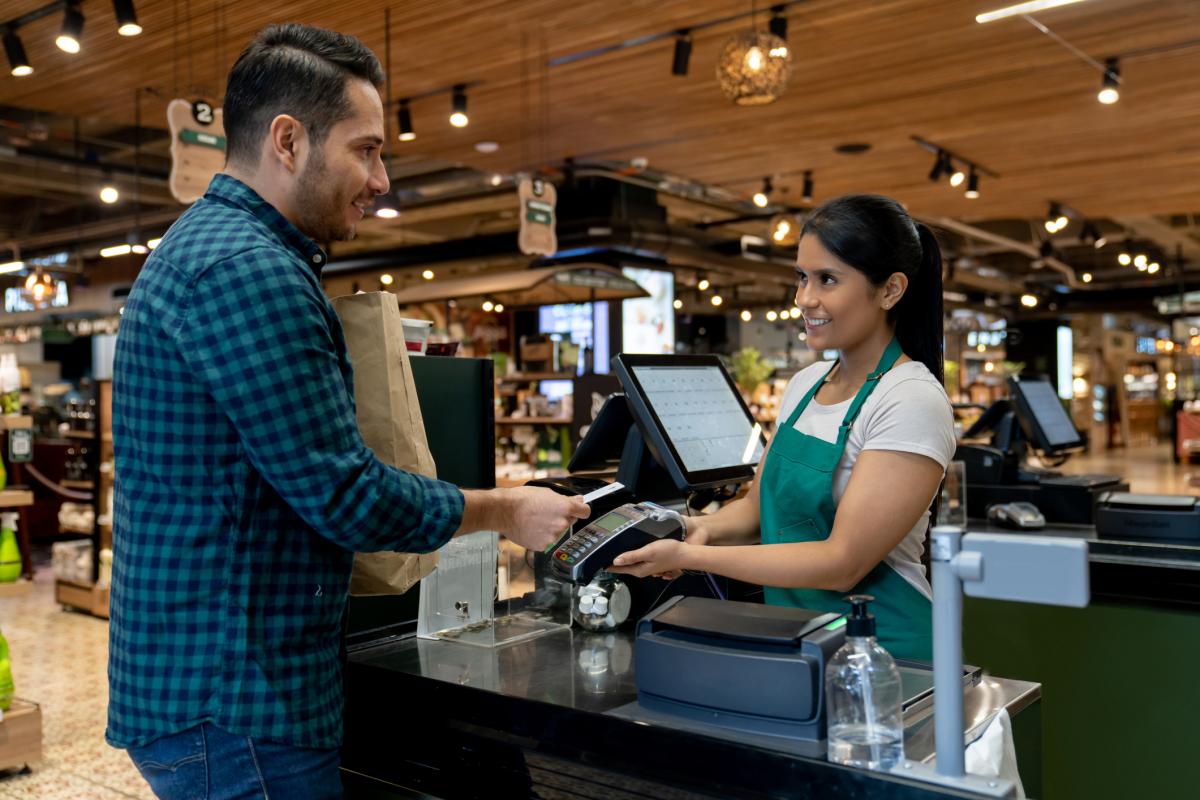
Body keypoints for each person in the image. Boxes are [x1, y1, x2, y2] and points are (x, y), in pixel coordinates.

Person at [106, 24, 588, 799]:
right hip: (238, 698)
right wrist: (505, 509)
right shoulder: (249, 271)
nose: (382, 180)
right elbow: (346, 496)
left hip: (208, 684)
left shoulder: (210, 249)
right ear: (288, 141)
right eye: (366, 150)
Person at [612, 194, 955, 661]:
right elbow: (755, 510)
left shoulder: (910, 398)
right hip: (800, 642)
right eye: (801, 277)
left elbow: (843, 562)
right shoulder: (805, 385)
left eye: (827, 279)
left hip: (885, 657)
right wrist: (690, 529)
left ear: (891, 290)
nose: (804, 299)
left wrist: (691, 557)